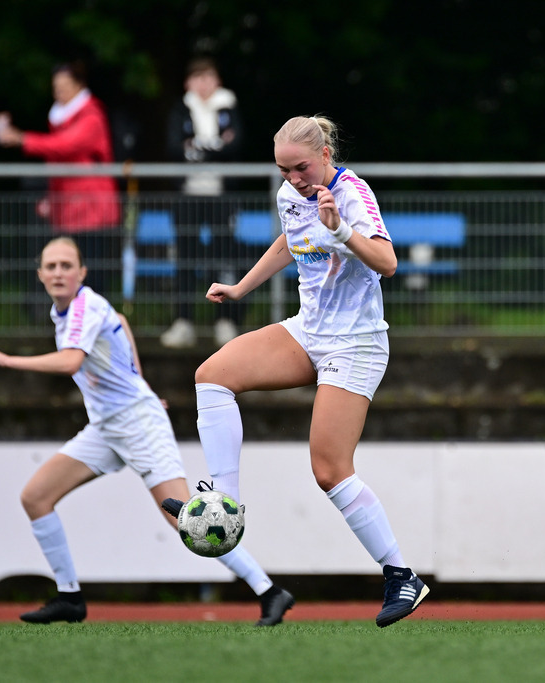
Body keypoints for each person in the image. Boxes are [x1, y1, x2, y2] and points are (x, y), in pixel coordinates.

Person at [163, 115, 429, 628]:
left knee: (329, 470)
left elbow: (388, 263)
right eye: (284, 170)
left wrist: (341, 229)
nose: (294, 179)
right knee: (212, 375)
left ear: (325, 154)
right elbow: (289, 241)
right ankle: (226, 504)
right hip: (309, 331)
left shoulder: (351, 192)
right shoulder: (291, 193)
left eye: (301, 167)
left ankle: (402, 576)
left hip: (355, 344)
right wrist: (241, 288)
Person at [0, 236, 294, 626]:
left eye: (66, 266)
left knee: (187, 520)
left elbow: (72, 362)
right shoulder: (71, 311)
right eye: (50, 266)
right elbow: (120, 323)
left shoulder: (85, 306)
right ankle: (69, 598)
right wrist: (143, 383)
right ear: (39, 274)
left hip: (138, 425)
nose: (58, 273)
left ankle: (270, 591)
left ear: (82, 273)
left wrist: (7, 360)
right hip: (106, 427)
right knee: (36, 497)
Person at [0, 61, 120, 297]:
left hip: (91, 210)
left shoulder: (91, 116)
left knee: (91, 277)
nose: (59, 92)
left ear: (79, 86)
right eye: (56, 87)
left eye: (65, 86)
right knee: (73, 277)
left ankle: (95, 330)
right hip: (71, 209)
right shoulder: (63, 117)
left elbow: (65, 146)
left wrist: (23, 139)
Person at [160, 57, 245, 349]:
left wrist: (196, 148)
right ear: (188, 83)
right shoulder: (180, 109)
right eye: (197, 78)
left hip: (222, 197)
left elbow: (236, 145)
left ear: (217, 81)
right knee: (185, 258)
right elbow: (173, 147)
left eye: (208, 77)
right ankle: (183, 322)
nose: (203, 84)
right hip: (188, 197)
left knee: (223, 257)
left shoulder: (229, 107)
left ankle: (226, 321)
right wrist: (215, 146)